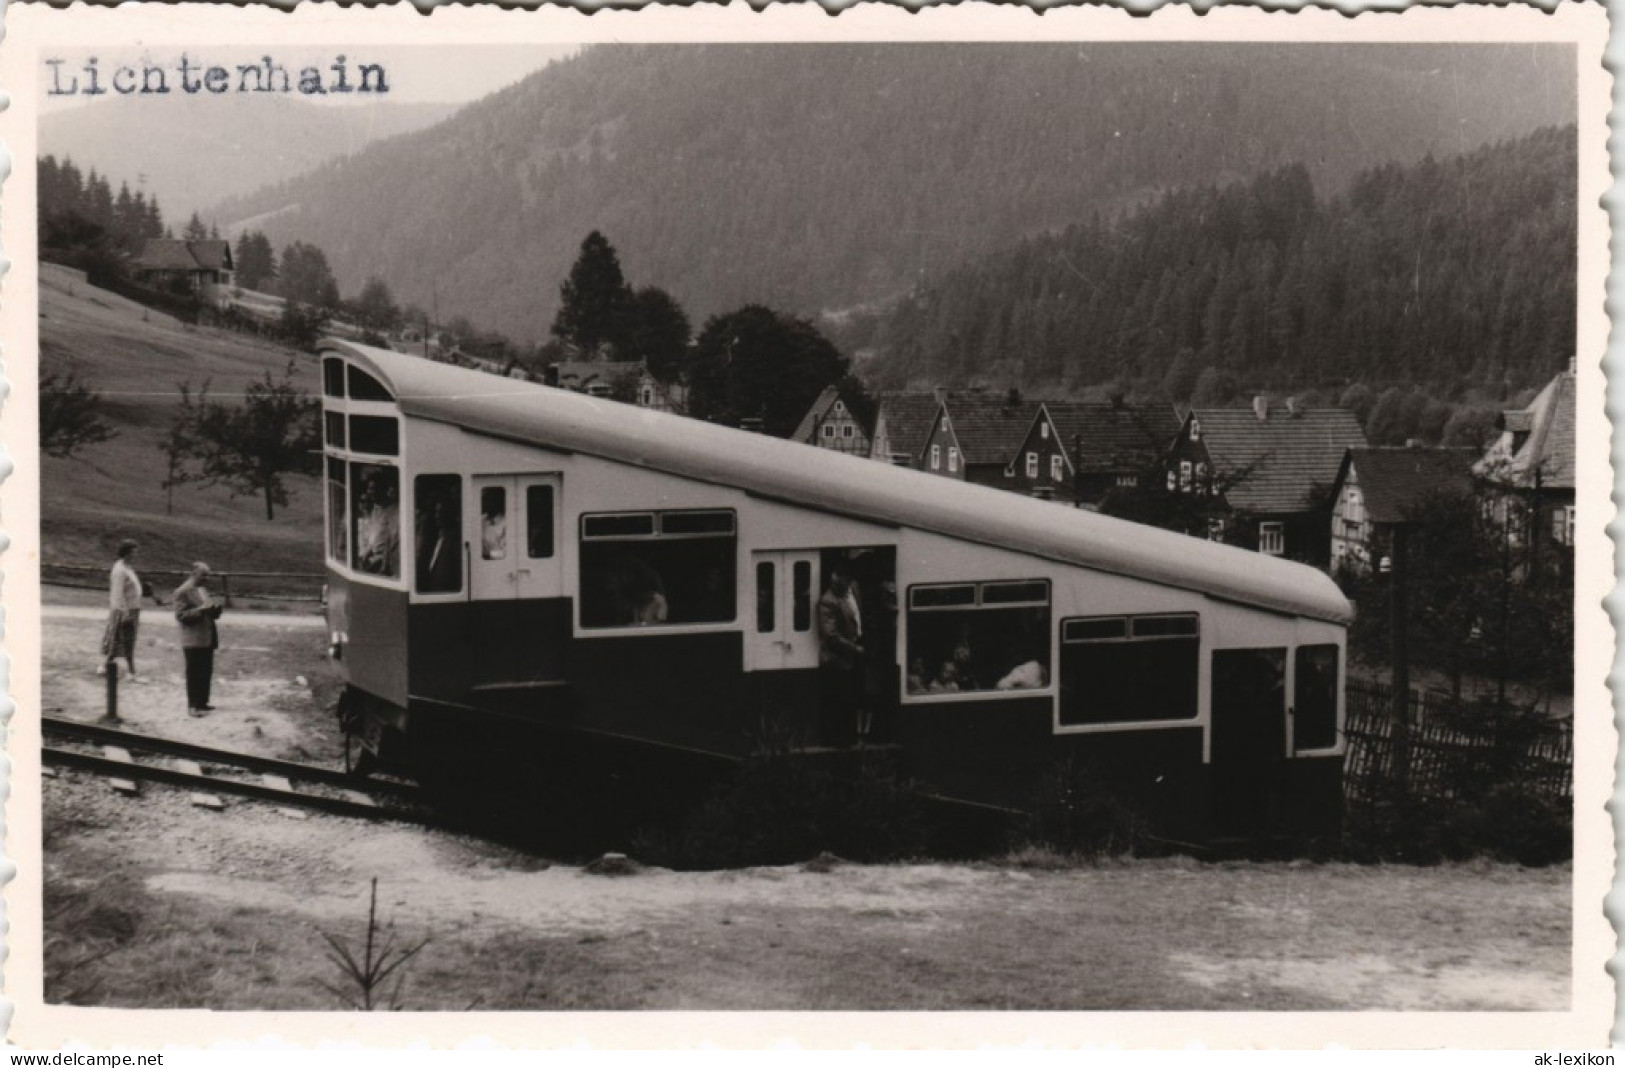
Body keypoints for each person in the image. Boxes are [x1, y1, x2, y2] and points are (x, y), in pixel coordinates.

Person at [816, 567, 864, 747]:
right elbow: (831, 635)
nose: (836, 584)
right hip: (837, 658)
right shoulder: (827, 601)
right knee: (839, 699)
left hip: (855, 649)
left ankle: (853, 737)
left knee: (854, 695)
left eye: (840, 581)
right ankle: (840, 741)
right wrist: (854, 649)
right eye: (834, 581)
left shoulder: (855, 589)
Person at [173, 561, 224, 716]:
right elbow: (180, 615)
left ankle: (203, 702)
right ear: (194, 573)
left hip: (206, 637)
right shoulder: (183, 591)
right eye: (204, 574)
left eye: (208, 574)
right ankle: (193, 706)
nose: (207, 578)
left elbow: (207, 611)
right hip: (193, 639)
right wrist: (200, 610)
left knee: (205, 671)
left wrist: (215, 610)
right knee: (194, 673)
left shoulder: (201, 589)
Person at [98, 539, 146, 683]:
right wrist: (125, 613)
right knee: (126, 640)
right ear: (127, 552)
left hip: (132, 609)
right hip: (124, 611)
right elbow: (118, 594)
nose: (136, 554)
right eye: (134, 551)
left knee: (118, 640)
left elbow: (131, 588)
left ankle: (105, 665)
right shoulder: (120, 570)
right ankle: (131, 671)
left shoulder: (127, 568)